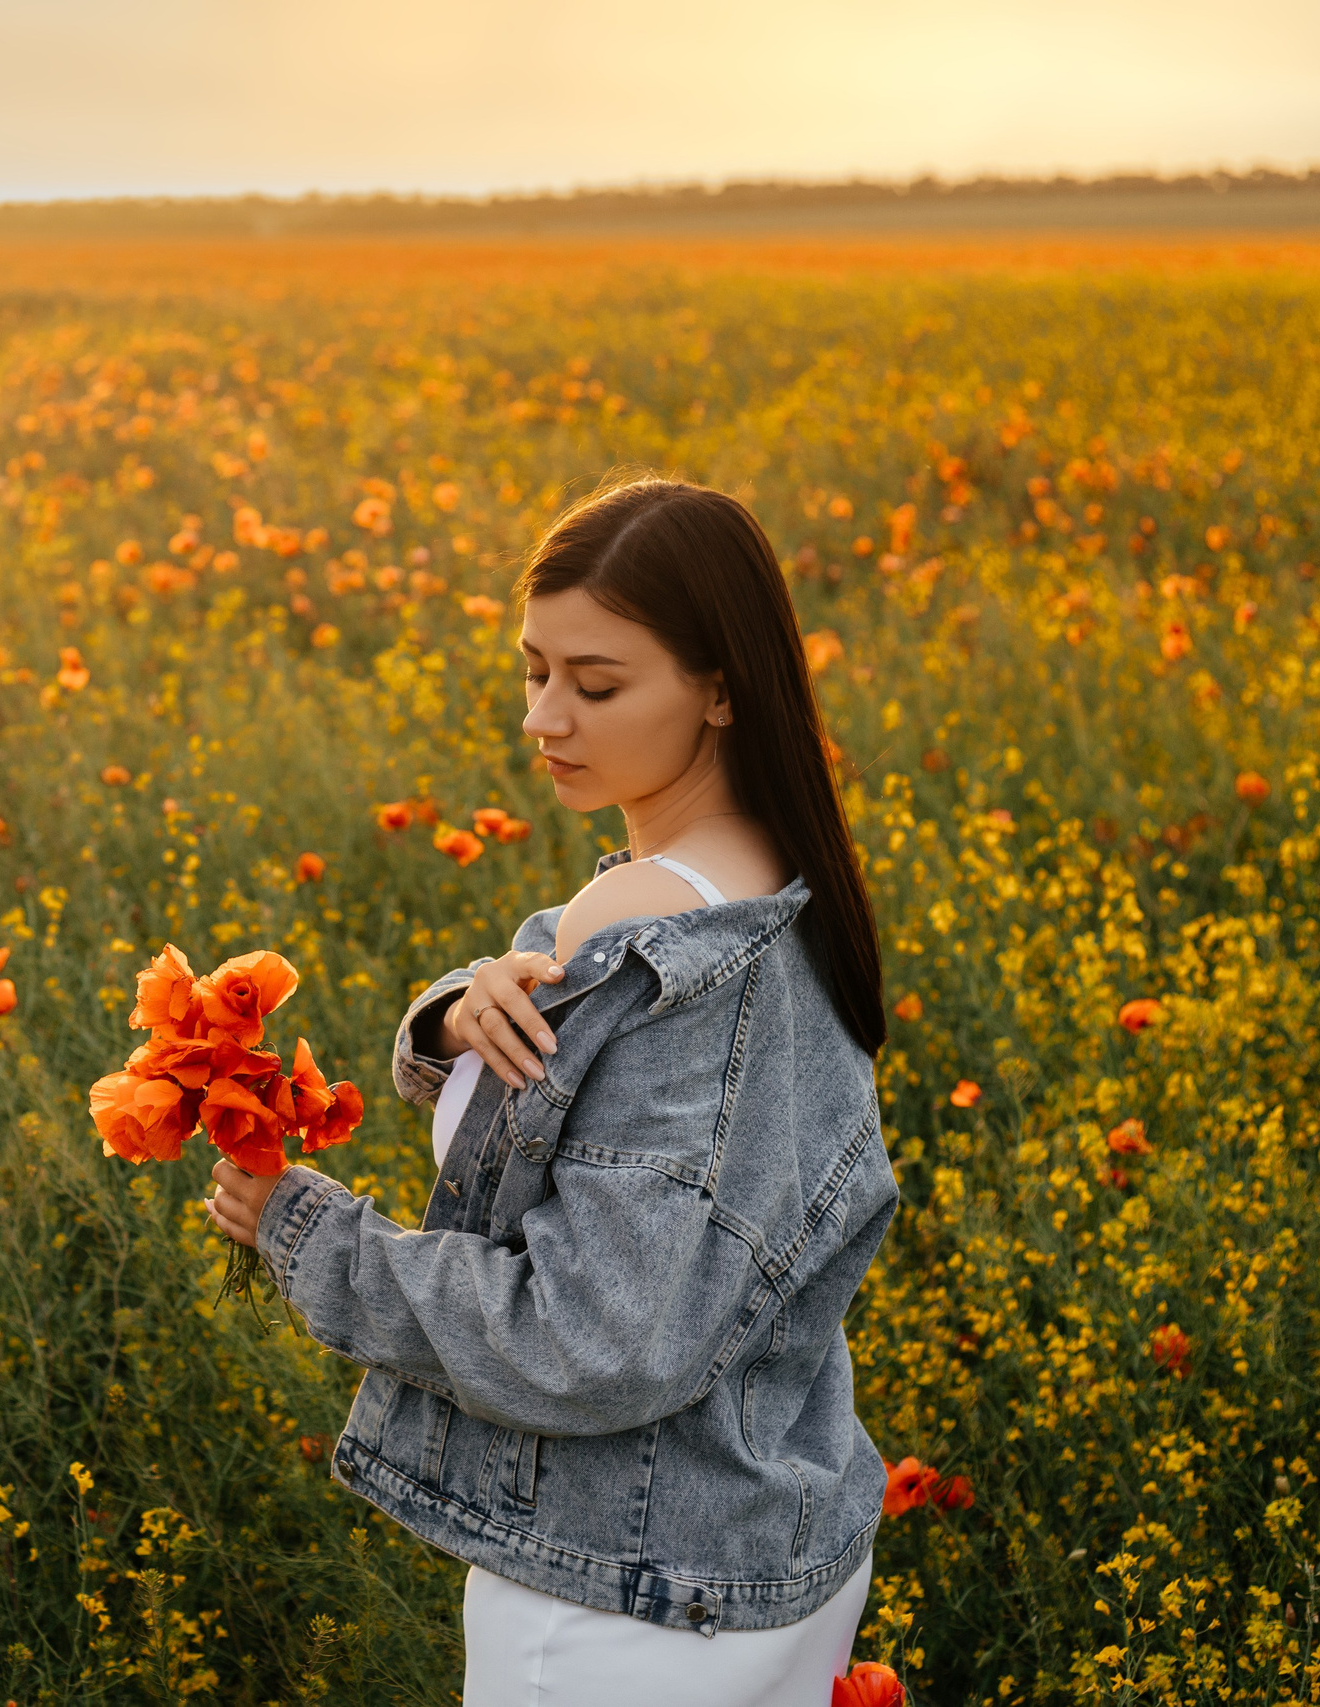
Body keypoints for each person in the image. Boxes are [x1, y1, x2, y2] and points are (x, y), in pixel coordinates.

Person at [204, 472, 898, 1705]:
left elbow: (594, 1340)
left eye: (598, 683)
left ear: (721, 689)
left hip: (620, 1593)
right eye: (534, 670)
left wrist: (309, 1234)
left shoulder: (647, 931)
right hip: (769, 1535)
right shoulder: (787, 891)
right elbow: (608, 1157)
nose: (545, 718)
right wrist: (456, 1014)